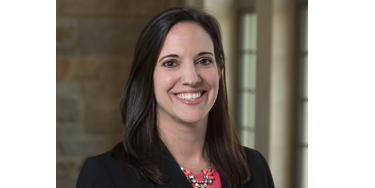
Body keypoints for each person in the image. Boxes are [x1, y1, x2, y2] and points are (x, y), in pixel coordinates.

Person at [76, 6, 275, 188]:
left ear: (219, 71)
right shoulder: (106, 175)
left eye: (204, 60)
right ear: (146, 77)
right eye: (171, 63)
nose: (191, 78)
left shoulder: (255, 167)